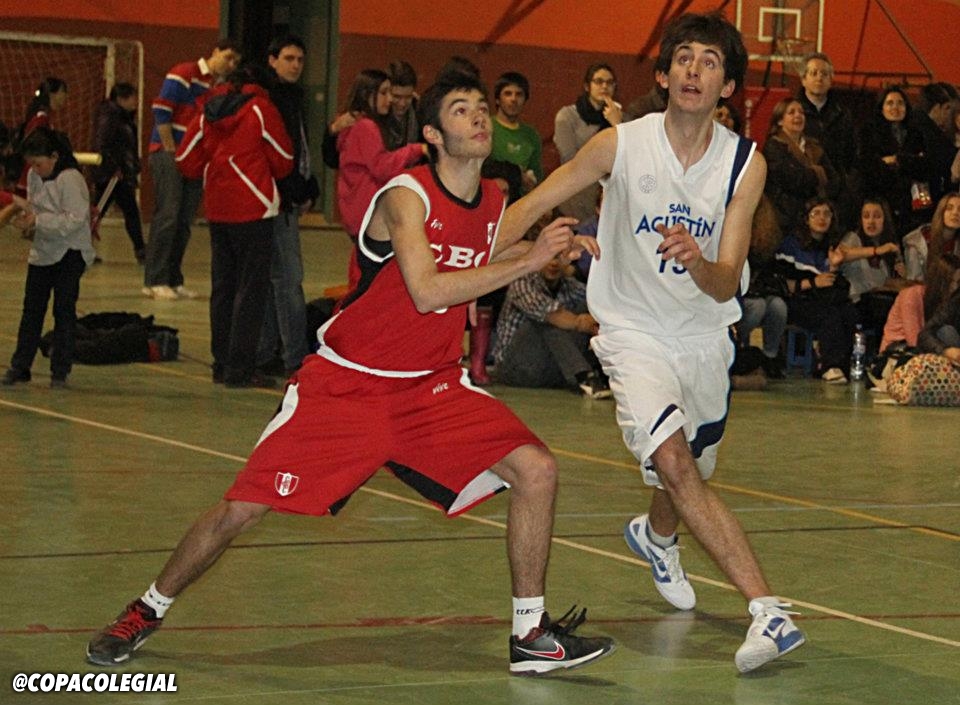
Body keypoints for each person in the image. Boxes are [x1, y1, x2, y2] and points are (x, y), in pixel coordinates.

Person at [85, 67, 614, 676]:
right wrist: (529, 257)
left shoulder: (491, 201)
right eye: (461, 109)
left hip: (430, 389)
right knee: (242, 509)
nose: (477, 116)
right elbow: (427, 290)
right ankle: (146, 608)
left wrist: (547, 249)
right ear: (433, 134)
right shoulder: (405, 196)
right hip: (347, 387)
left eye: (480, 106)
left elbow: (487, 247)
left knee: (537, 470)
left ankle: (530, 635)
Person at [502, 12, 805, 672]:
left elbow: (725, 280)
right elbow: (540, 198)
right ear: (664, 75)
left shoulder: (744, 165)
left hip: (703, 331)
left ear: (728, 87)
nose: (694, 70)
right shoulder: (621, 144)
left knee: (691, 468)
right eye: (684, 58)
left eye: (710, 62)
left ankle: (656, 535)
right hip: (632, 331)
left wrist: (697, 262)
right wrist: (466, 248)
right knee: (675, 463)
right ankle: (768, 612)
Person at [175, 64, 293, 388]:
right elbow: (283, 158)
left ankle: (221, 363)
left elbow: (185, 160)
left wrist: (215, 167)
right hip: (254, 207)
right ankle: (240, 369)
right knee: (250, 291)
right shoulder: (261, 109)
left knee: (223, 288)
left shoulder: (206, 111)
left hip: (218, 209)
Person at [142, 39, 241, 301]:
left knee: (184, 220)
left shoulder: (218, 87)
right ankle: (155, 280)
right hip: (169, 153)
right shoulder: (184, 73)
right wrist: (170, 150)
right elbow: (161, 111)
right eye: (228, 57)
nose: (231, 64)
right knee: (168, 215)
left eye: (235, 62)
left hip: (193, 160)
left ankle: (174, 279)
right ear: (215, 51)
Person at [2, 127, 96, 388]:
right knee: (31, 310)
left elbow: (75, 221)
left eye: (39, 163)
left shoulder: (71, 179)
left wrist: (38, 221)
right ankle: (20, 366)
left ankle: (60, 370)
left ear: (54, 156)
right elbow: (35, 207)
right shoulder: (34, 176)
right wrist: (29, 225)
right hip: (43, 252)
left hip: (70, 252)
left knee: (63, 311)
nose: (35, 169)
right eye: (31, 164)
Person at [254, 35, 319, 380]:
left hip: (286, 196)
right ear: (272, 60)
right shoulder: (270, 99)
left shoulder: (294, 97)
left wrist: (309, 185)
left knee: (274, 280)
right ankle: (296, 356)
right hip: (276, 198)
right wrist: (296, 188)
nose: (295, 65)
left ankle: (267, 351)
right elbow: (279, 152)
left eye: (300, 60)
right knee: (288, 280)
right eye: (289, 58)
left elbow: (300, 147)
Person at [337, 68, 427, 286]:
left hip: (357, 210)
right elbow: (382, 167)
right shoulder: (366, 127)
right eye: (385, 93)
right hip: (365, 211)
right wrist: (416, 149)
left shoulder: (357, 124)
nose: (390, 100)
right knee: (373, 278)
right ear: (368, 95)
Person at [492, 251, 610, 398]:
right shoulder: (521, 283)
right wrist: (581, 322)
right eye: (549, 257)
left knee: (590, 305)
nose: (554, 263)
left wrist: (597, 320)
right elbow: (552, 315)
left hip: (550, 369)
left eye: (559, 258)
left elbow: (599, 302)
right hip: (516, 369)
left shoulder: (570, 285)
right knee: (546, 319)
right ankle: (583, 376)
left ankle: (606, 371)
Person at [775, 197, 859, 383]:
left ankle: (846, 364)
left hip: (822, 298)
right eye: (816, 213)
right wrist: (813, 283)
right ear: (806, 219)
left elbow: (830, 282)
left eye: (827, 214)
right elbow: (782, 283)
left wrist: (834, 268)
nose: (822, 218)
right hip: (798, 300)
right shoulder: (791, 245)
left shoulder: (831, 246)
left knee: (848, 311)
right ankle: (829, 366)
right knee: (830, 315)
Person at [860, 86, 943, 235]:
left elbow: (926, 165)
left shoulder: (917, 133)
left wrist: (898, 159)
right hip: (882, 200)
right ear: (882, 108)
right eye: (890, 103)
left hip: (914, 202)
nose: (895, 107)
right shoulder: (869, 133)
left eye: (900, 103)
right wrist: (910, 161)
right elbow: (869, 165)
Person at [553, 63, 623, 222]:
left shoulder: (619, 118)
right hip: (574, 198)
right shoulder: (567, 116)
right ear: (587, 86)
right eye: (598, 81)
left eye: (609, 82)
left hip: (605, 202)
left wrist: (617, 125)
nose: (604, 86)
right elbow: (570, 160)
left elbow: (626, 160)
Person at [796, 53, 859, 230]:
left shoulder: (843, 114)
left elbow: (852, 153)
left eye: (824, 74)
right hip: (804, 191)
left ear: (831, 80)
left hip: (838, 193)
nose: (819, 78)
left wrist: (847, 183)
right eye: (814, 73)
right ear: (803, 79)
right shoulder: (793, 112)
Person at [762, 97, 840, 233]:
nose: (798, 115)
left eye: (801, 112)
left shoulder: (814, 146)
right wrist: (818, 173)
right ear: (780, 121)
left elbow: (833, 179)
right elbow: (793, 180)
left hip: (814, 216)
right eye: (791, 112)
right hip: (785, 217)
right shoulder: (774, 147)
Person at [91, 83, 146, 263]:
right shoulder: (111, 117)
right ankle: (80, 248)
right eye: (132, 97)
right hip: (112, 175)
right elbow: (103, 143)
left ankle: (140, 249)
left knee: (126, 210)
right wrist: (114, 167)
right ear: (121, 99)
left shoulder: (122, 118)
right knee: (97, 211)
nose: (136, 101)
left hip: (119, 174)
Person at [838, 197, 904, 331]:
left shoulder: (889, 246)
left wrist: (903, 274)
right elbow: (840, 255)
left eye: (877, 216)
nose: (871, 221)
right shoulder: (854, 238)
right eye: (866, 216)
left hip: (882, 300)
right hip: (858, 302)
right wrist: (876, 251)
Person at [14, 77, 68, 198]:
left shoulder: (43, 117)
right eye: (63, 91)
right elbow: (33, 148)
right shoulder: (40, 119)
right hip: (32, 179)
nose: (65, 96)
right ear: (53, 94)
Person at [490, 71, 543, 192]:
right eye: (508, 94)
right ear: (497, 99)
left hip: (521, 200)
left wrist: (532, 182)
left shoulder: (531, 135)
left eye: (519, 94)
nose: (513, 99)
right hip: (490, 197)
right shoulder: (486, 128)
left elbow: (537, 176)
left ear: (525, 100)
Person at [902, 191, 960, 281]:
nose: (955, 213)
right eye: (949, 208)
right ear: (941, 211)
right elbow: (915, 282)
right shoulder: (917, 243)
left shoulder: (957, 243)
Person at [384, 60, 420, 150]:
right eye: (396, 96)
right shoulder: (375, 116)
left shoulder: (420, 112)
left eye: (408, 97)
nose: (402, 104)